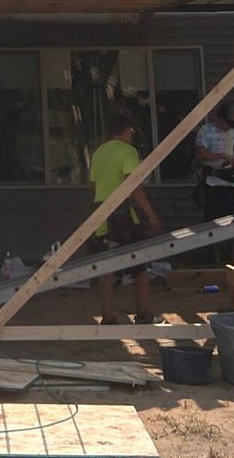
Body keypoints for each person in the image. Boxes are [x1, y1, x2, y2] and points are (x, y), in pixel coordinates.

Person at [90, 113, 161, 324]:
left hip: (102, 214)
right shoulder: (128, 151)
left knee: (107, 267)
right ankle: (144, 313)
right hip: (122, 216)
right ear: (125, 130)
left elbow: (93, 185)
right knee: (139, 265)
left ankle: (108, 315)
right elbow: (134, 187)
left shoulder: (98, 152)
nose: (132, 135)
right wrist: (151, 215)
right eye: (131, 131)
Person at [192, 104, 234, 263]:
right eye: (228, 123)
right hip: (212, 182)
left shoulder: (233, 131)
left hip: (230, 182)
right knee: (213, 222)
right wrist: (223, 156)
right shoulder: (205, 131)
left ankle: (233, 259)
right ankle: (215, 259)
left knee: (233, 222)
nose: (229, 127)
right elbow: (202, 155)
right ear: (220, 119)